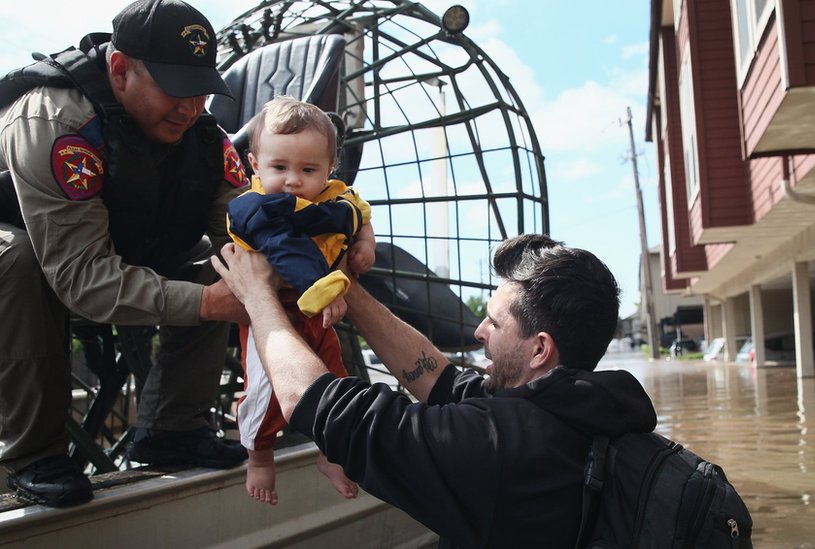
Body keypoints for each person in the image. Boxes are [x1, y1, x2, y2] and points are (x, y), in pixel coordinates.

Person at [212, 233, 658, 548]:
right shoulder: (580, 408)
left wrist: (257, 297)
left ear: (540, 349)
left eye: (496, 322)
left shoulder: (499, 449)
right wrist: (342, 282)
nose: (479, 329)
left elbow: (316, 404)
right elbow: (437, 378)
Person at [0, 0, 250, 508]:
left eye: (201, 90)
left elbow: (249, 231)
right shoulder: (56, 121)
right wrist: (208, 305)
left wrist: (344, 229)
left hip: (123, 246)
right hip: (34, 256)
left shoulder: (204, 135)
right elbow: (80, 274)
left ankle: (172, 429)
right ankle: (31, 454)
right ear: (119, 70)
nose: (191, 107)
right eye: (174, 89)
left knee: (226, 269)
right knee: (20, 260)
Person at [226, 96, 375, 505]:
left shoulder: (334, 197)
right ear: (255, 165)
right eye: (279, 168)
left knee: (334, 377)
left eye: (308, 170)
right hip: (273, 314)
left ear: (329, 170)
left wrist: (364, 245)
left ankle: (330, 453)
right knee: (264, 387)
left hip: (322, 312)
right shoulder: (253, 207)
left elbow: (359, 213)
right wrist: (327, 285)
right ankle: (258, 453)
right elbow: (287, 246)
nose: (292, 180)